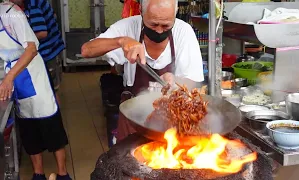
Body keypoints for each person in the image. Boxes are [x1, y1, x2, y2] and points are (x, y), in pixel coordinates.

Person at [81, 0, 204, 142]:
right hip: (133, 117)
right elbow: (86, 50)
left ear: (174, 15)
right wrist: (121, 41)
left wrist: (176, 80)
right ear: (141, 11)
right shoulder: (128, 26)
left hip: (172, 120)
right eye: (153, 24)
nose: (159, 30)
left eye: (166, 25)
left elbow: (193, 80)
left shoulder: (184, 32)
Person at [0, 2, 71, 180]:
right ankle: (38, 174)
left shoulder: (12, 13)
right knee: (28, 126)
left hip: (33, 72)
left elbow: (31, 49)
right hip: (16, 76)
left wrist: (9, 78)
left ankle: (62, 174)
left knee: (50, 123)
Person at [11, 0, 65, 94]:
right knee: (49, 90)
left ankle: (55, 108)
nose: (10, 2)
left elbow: (42, 33)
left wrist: (22, 40)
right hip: (48, 51)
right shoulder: (26, 4)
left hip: (49, 53)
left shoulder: (34, 5)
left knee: (51, 91)